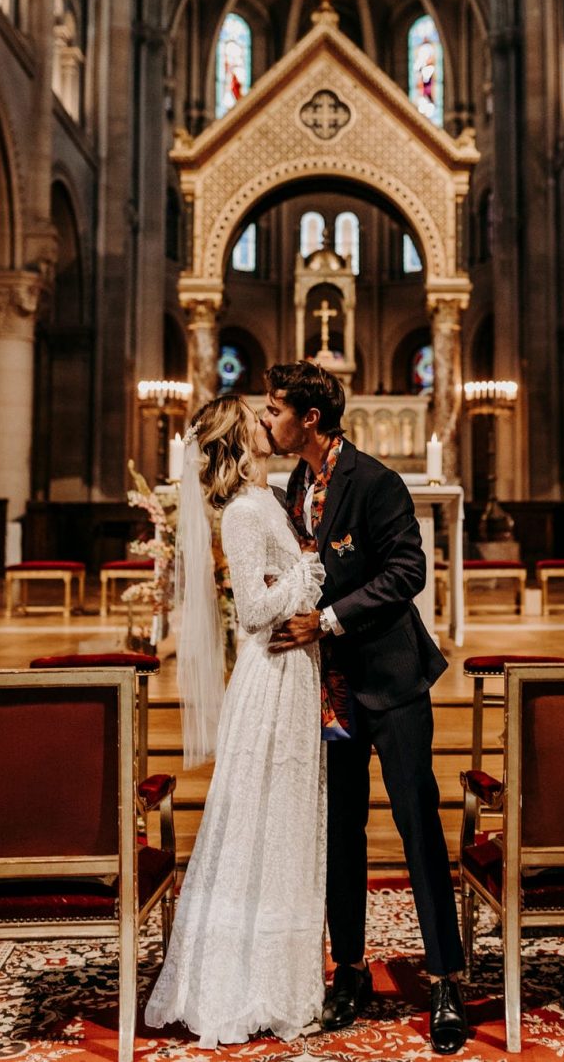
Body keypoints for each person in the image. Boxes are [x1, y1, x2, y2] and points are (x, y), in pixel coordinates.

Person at [263, 361, 469, 1055]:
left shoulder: (376, 481)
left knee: (418, 824)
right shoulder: (295, 485)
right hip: (332, 687)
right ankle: (349, 971)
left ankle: (445, 977)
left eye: (275, 408)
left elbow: (406, 571)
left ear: (309, 419)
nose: (268, 419)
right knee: (340, 831)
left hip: (392, 678)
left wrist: (326, 621)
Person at [144, 394, 327, 1048]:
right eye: (255, 415)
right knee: (265, 821)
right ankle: (247, 982)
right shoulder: (247, 511)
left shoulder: (259, 498)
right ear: (236, 435)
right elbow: (254, 608)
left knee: (278, 821)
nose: (266, 421)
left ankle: (269, 972)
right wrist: (309, 569)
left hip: (286, 671)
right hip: (272, 670)